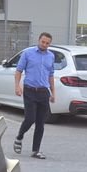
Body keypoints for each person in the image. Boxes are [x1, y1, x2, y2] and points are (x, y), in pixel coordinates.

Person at [13, 32, 57, 160]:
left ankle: (35, 150)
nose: (44, 44)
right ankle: (20, 136)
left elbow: (51, 75)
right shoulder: (28, 53)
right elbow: (19, 71)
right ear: (39, 40)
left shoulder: (51, 56)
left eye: (47, 43)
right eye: (43, 42)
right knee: (30, 118)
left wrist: (53, 93)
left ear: (50, 44)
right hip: (30, 90)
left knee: (40, 123)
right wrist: (17, 86)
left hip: (43, 92)